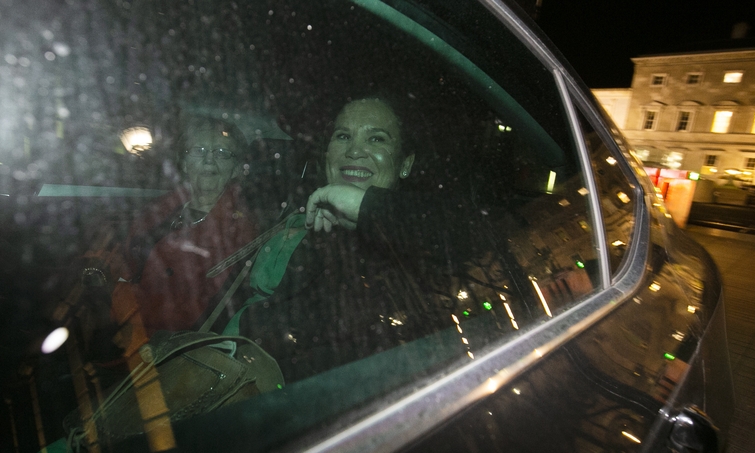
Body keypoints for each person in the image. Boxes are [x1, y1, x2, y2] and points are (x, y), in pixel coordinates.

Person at [237, 97, 483, 381]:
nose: (354, 151)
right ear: (327, 154)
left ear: (405, 164)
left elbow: (475, 233)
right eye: (343, 136)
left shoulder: (425, 242)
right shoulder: (313, 234)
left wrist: (368, 207)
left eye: (376, 139)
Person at [81, 115, 259, 359]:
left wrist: (116, 301)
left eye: (221, 152)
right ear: (184, 162)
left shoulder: (238, 233)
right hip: (120, 329)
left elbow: (187, 312)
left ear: (238, 168)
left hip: (159, 352)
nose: (209, 159)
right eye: (199, 150)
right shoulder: (163, 209)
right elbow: (124, 255)